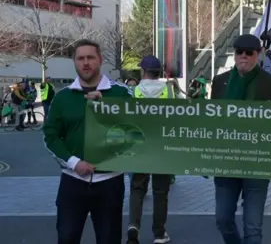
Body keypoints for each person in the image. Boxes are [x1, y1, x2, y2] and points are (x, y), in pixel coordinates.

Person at [43, 39, 131, 244]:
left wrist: (107, 107)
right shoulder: (62, 98)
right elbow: (51, 136)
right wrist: (74, 162)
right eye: (80, 58)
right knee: (67, 237)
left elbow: (137, 130)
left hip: (110, 182)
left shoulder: (121, 94)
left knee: (109, 239)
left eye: (90, 57)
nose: (86, 63)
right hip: (73, 181)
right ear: (74, 62)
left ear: (100, 60)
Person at [211, 34, 271, 244]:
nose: (243, 56)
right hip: (226, 161)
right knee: (223, 219)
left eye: (249, 52)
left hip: (258, 162)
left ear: (258, 54)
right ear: (234, 54)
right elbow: (211, 121)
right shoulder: (220, 82)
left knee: (253, 228)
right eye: (239, 52)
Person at [127, 55, 174, 244]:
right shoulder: (170, 92)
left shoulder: (133, 92)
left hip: (140, 146)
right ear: (159, 72)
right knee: (160, 192)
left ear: (143, 72)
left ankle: (133, 227)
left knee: (137, 188)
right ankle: (159, 233)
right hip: (163, 146)